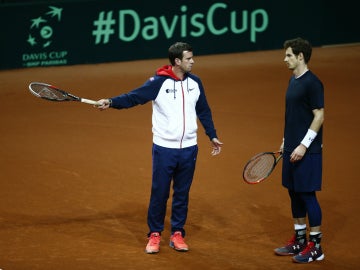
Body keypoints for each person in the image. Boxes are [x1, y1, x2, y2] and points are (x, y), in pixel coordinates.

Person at [95, 42, 223, 254]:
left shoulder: (195, 82)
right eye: (189, 58)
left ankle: (177, 233)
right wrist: (111, 101)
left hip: (190, 148)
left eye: (192, 57)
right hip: (165, 149)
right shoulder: (158, 83)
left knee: (182, 193)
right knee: (160, 193)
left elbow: (204, 110)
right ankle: (154, 234)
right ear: (177, 61)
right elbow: (133, 97)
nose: (193, 61)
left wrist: (212, 135)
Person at [274, 37, 325, 263]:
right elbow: (292, 116)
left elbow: (319, 115)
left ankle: (316, 247)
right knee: (293, 192)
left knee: (307, 195)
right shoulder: (292, 81)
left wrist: (304, 145)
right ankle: (300, 239)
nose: (285, 59)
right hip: (291, 148)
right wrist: (287, 139)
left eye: (289, 55)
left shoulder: (313, 83)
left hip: (307, 150)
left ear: (300, 56)